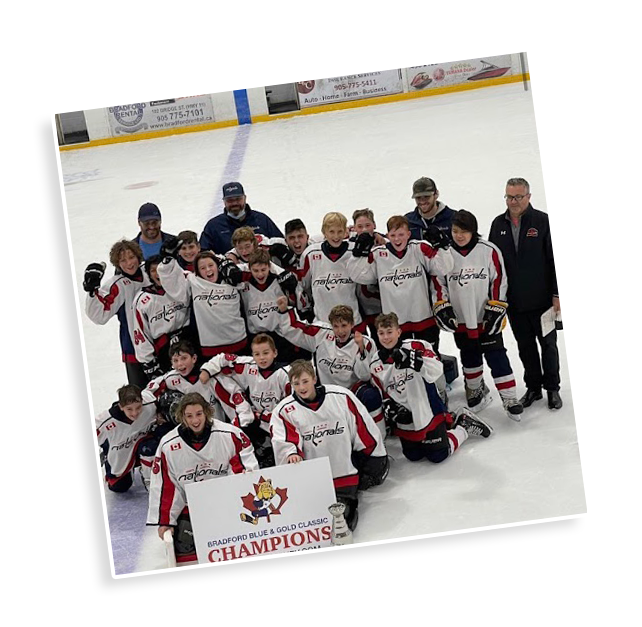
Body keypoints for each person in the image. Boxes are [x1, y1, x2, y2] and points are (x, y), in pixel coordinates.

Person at [354, 312, 493, 464]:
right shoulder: (376, 362)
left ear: (399, 332)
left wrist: (415, 360)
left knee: (438, 455)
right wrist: (389, 406)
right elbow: (382, 389)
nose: (386, 337)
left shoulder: (416, 346)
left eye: (389, 332)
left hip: (427, 408)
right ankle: (448, 423)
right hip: (405, 415)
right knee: (414, 455)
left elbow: (437, 370)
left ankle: (463, 425)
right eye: (381, 333)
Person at [270, 360, 389, 531]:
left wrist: (374, 456)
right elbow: (283, 438)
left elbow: (363, 428)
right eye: (296, 383)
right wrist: (291, 453)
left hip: (345, 470)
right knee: (315, 521)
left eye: (305, 381)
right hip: (315, 477)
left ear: (314, 378)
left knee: (342, 520)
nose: (301, 387)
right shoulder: (284, 410)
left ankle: (349, 498)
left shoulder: (340, 396)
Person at [431, 210, 523, 420]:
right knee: (469, 355)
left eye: (464, 231)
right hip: (461, 318)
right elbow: (438, 283)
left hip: (486, 317)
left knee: (497, 355)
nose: (459, 235)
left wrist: (496, 307)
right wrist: (442, 306)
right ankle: (474, 388)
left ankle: (509, 398)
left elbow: (499, 279)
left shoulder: (488, 250)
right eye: (455, 231)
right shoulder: (445, 254)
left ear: (473, 231)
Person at [147, 392, 259, 563]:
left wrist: (239, 491)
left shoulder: (230, 435)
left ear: (207, 412)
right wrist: (166, 521)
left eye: (198, 414)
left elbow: (246, 468)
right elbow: (166, 485)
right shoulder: (168, 445)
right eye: (189, 416)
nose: (195, 420)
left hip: (228, 503)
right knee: (187, 552)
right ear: (181, 417)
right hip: (191, 508)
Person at [488, 178, 562, 410]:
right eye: (509, 197)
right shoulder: (498, 224)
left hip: (543, 302)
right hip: (515, 303)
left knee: (548, 346)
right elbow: (494, 265)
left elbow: (553, 261)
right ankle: (533, 388)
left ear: (528, 196)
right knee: (525, 346)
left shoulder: (541, 221)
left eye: (518, 197)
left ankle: (552, 389)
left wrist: (556, 294)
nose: (513, 201)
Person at [275, 297, 384, 436]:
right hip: (327, 391)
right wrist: (284, 311)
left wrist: (361, 350)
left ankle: (379, 440)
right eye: (336, 326)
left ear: (352, 324)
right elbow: (296, 328)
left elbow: (365, 376)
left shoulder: (365, 342)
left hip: (353, 390)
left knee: (371, 397)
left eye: (344, 325)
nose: (340, 331)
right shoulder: (322, 334)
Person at [347, 214, 453, 353]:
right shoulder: (379, 254)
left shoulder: (419, 248)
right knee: (399, 365)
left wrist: (442, 246)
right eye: (393, 235)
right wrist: (357, 255)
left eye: (401, 234)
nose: (397, 239)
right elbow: (359, 276)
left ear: (409, 234)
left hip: (423, 319)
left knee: (430, 359)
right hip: (395, 324)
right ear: (387, 236)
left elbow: (442, 268)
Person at [199, 334, 292, 467]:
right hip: (255, 420)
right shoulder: (249, 366)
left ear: (275, 353)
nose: (262, 358)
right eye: (257, 354)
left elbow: (291, 405)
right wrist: (207, 371)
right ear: (253, 355)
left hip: (277, 422)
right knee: (216, 376)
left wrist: (267, 418)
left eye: (266, 353)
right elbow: (222, 358)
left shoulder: (285, 373)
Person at [157, 241, 248, 358]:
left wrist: (227, 263)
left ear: (217, 266)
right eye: (202, 268)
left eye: (211, 265)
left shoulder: (231, 278)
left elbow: (258, 268)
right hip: (210, 347)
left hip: (239, 342)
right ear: (197, 271)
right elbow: (172, 280)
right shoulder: (193, 281)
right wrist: (167, 260)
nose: (208, 270)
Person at [84, 239, 152, 388]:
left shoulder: (150, 274)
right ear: (117, 264)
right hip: (133, 349)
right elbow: (99, 315)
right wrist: (91, 290)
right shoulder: (118, 285)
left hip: (160, 344)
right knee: (141, 397)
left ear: (138, 256)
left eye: (131, 257)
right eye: (123, 260)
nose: (129, 263)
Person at [143, 340, 255, 427]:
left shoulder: (210, 376)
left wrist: (238, 425)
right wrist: (155, 412)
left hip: (218, 428)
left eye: (184, 358)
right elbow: (152, 389)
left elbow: (232, 398)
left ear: (194, 358)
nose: (180, 364)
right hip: (193, 429)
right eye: (175, 361)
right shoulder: (172, 378)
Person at [298, 211, 365, 330]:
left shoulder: (353, 251)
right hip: (323, 325)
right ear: (324, 232)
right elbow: (304, 286)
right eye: (331, 231)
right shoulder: (310, 254)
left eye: (340, 231)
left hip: (352, 323)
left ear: (345, 231)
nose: (336, 236)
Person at [237, 247, 303, 363]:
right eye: (256, 270)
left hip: (279, 336)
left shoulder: (279, 281)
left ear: (269, 267)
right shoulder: (243, 284)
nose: (260, 274)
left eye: (263, 269)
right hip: (255, 337)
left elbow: (296, 302)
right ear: (249, 268)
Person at [132, 255, 192, 378]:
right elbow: (141, 333)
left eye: (160, 268)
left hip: (190, 343)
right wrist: (149, 362)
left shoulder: (183, 286)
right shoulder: (143, 300)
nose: (158, 273)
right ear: (148, 274)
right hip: (164, 352)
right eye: (153, 270)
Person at [95, 384, 161, 493]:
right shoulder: (104, 422)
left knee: (151, 446)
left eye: (138, 407)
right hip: (120, 448)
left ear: (142, 401)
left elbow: (163, 381)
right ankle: (106, 451)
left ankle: (149, 477)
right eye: (129, 409)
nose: (135, 413)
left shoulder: (150, 403)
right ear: (121, 406)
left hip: (142, 441)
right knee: (119, 487)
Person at [199, 182, 284, 255]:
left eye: (238, 199)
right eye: (230, 200)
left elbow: (281, 243)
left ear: (245, 198)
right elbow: (203, 253)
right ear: (224, 202)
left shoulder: (261, 220)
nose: (234, 203)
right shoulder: (213, 226)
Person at [404, 177, 456, 244]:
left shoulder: (453, 218)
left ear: (436, 194)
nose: (422, 201)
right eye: (418, 198)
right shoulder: (407, 221)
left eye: (426, 196)